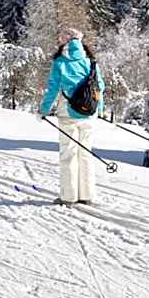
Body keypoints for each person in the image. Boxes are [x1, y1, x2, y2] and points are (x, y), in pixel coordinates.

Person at [39, 28, 105, 206]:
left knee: (68, 154)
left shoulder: (60, 62)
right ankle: (88, 195)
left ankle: (68, 197)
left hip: (68, 112)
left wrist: (44, 110)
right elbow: (100, 86)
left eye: (61, 38)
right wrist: (100, 109)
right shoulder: (90, 61)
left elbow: (53, 88)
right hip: (89, 114)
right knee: (85, 154)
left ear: (66, 42)